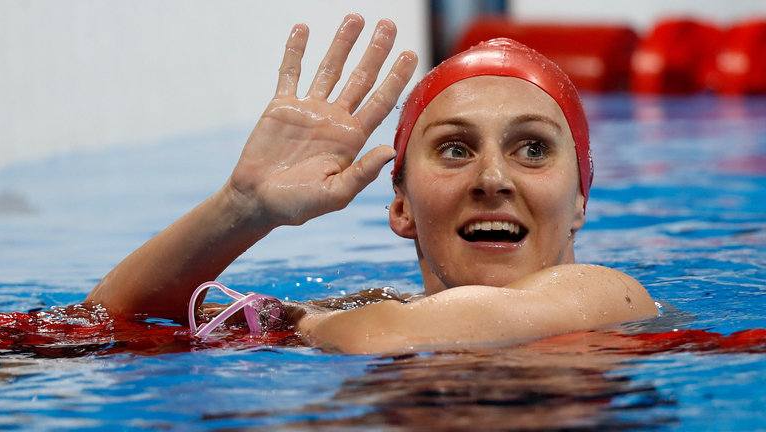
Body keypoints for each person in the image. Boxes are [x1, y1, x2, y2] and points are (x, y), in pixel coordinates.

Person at [84, 14, 658, 354]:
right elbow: (106, 325)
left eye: (532, 149)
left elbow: (380, 338)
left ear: (580, 200)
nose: (492, 178)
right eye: (455, 149)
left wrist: (299, 323)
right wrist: (242, 210)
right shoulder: (370, 307)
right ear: (401, 207)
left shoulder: (608, 296)